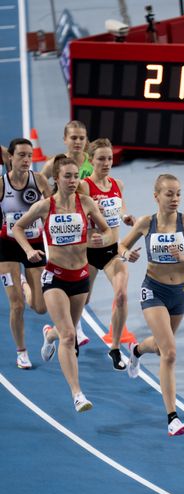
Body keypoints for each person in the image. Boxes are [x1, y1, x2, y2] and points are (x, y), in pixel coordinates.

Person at [13, 156, 111, 412]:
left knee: (66, 329)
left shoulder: (86, 202)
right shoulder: (45, 206)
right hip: (54, 277)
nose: (72, 180)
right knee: (70, 336)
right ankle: (78, 394)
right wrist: (28, 252)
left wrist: (100, 238)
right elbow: (18, 229)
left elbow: (105, 229)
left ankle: (50, 334)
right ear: (56, 178)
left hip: (80, 278)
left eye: (75, 176)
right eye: (67, 176)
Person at [119, 174, 184, 436]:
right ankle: (172, 418)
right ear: (156, 196)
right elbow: (121, 246)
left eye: (178, 193)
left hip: (181, 291)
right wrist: (128, 254)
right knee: (170, 352)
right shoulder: (146, 223)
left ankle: (136, 349)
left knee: (161, 348)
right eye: (169, 193)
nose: (175, 199)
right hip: (154, 290)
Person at [79, 138, 135, 371]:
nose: (106, 163)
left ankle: (114, 347)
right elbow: (76, 216)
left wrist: (125, 217)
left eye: (109, 158)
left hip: (112, 251)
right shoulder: (83, 186)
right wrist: (89, 232)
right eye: (101, 159)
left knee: (121, 295)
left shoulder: (117, 183)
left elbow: (119, 207)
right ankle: (53, 333)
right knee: (84, 300)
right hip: (88, 253)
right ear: (91, 161)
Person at [0, 138, 52, 368]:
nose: (26, 160)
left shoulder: (39, 180)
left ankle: (24, 284)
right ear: (10, 157)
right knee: (17, 306)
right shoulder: (2, 185)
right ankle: (21, 351)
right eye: (21, 155)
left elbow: (54, 209)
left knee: (40, 308)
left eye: (29, 155)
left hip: (35, 246)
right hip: (7, 247)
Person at [41, 120, 93, 346]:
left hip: (83, 228)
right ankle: (74, 329)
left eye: (82, 138)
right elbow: (40, 183)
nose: (78, 142)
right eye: (73, 138)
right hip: (57, 226)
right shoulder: (54, 163)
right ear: (65, 139)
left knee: (85, 288)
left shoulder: (91, 164)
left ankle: (57, 332)